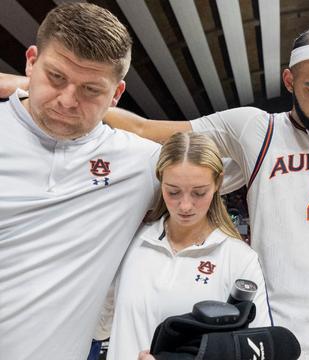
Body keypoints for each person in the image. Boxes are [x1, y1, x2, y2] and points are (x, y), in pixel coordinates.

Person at [103, 25, 309, 358]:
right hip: (283, 336)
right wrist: (70, 101)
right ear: (290, 81)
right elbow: (145, 129)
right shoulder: (257, 128)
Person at [0, 4, 244, 359]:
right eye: (55, 77)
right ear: (31, 61)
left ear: (116, 94)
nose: (68, 101)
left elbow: (247, 160)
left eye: (90, 90)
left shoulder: (141, 162)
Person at [95, 132, 270, 359]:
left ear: (218, 183)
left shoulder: (239, 259)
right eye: (173, 191)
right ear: (160, 179)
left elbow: (256, 350)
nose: (185, 205)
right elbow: (99, 326)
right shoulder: (130, 242)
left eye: (199, 192)